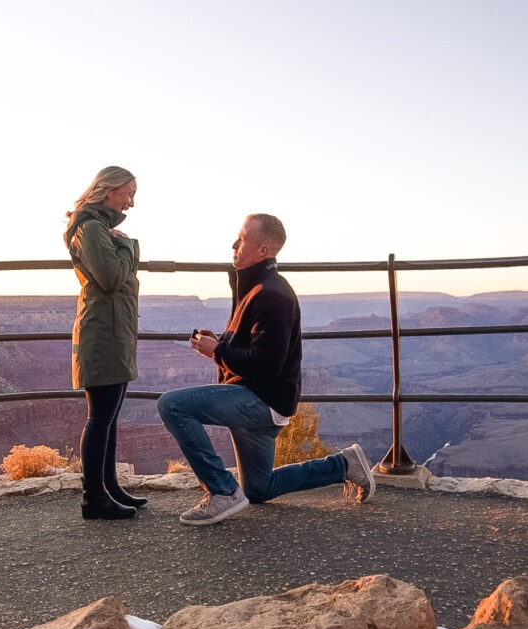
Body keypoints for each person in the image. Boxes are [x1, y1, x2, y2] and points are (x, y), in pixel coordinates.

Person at [157, 213, 375, 526]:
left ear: (264, 250)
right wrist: (220, 343)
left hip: (260, 400)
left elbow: (266, 365)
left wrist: (218, 350)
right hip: (257, 397)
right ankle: (344, 465)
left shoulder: (272, 294)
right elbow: (255, 345)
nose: (234, 245)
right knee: (258, 489)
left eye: (243, 239)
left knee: (172, 405)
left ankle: (222, 493)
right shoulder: (255, 287)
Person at [64, 166, 146, 520]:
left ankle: (109, 486)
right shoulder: (91, 227)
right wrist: (128, 244)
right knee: (99, 417)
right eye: (128, 192)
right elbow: (111, 278)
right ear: (108, 190)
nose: (132, 201)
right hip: (103, 333)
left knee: (109, 417)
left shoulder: (97, 226)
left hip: (114, 331)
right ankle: (93, 498)